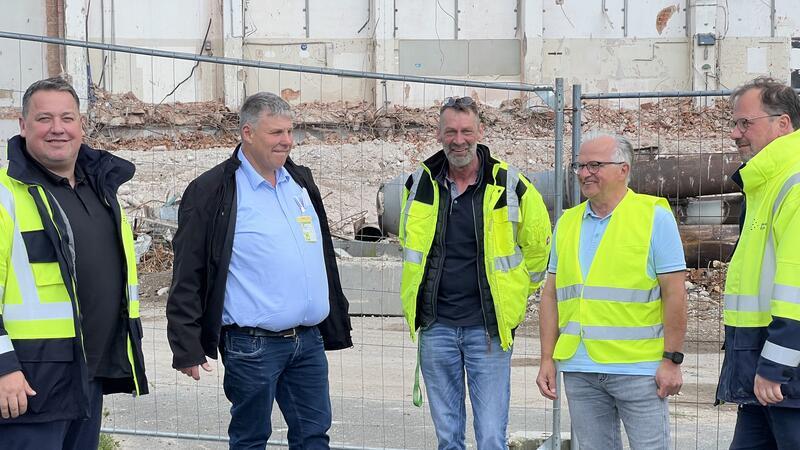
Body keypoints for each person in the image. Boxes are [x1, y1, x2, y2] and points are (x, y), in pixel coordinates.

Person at [166, 91, 352, 449]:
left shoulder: (299, 182)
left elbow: (321, 255)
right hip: (252, 346)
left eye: (289, 131)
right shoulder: (214, 190)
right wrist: (186, 345)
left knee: (314, 437)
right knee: (250, 439)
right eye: (276, 133)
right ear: (247, 133)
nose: (286, 141)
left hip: (308, 342)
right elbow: (189, 270)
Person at [0, 77, 148, 449]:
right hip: (29, 384)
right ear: (22, 126)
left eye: (67, 118)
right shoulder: (6, 197)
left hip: (86, 375)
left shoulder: (99, 189)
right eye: (44, 118)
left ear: (81, 124)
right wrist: (4, 368)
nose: (57, 129)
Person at [399, 96, 551, 449]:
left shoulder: (511, 185)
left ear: (480, 132)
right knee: (448, 438)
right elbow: (410, 244)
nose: (459, 139)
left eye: (467, 130)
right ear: (439, 134)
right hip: (437, 328)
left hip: (489, 331)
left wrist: (514, 294)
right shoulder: (420, 183)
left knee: (491, 437)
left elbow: (539, 250)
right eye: (450, 131)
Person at [536, 132, 687, 450]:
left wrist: (671, 360)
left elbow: (674, 293)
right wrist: (547, 359)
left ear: (623, 169)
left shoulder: (653, 217)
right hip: (580, 367)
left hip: (639, 370)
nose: (584, 173)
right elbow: (550, 295)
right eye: (579, 165)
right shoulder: (566, 223)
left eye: (595, 165)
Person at [716, 77, 800, 449]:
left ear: (783, 124)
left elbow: (795, 283)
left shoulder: (792, 185)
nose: (735, 133)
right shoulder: (765, 183)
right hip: (764, 368)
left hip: (782, 375)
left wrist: (777, 367)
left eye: (745, 123)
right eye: (733, 124)